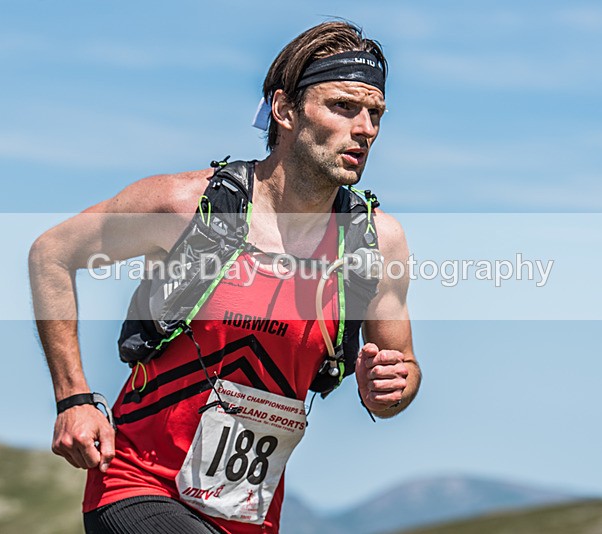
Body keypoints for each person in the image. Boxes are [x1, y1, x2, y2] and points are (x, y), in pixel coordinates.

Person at [29, 20, 420, 534]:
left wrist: (394, 387)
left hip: (246, 517)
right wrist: (74, 398)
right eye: (344, 106)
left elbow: (401, 371)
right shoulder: (186, 206)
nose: (365, 128)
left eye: (375, 114)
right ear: (284, 110)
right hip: (136, 485)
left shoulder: (373, 241)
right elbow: (52, 254)